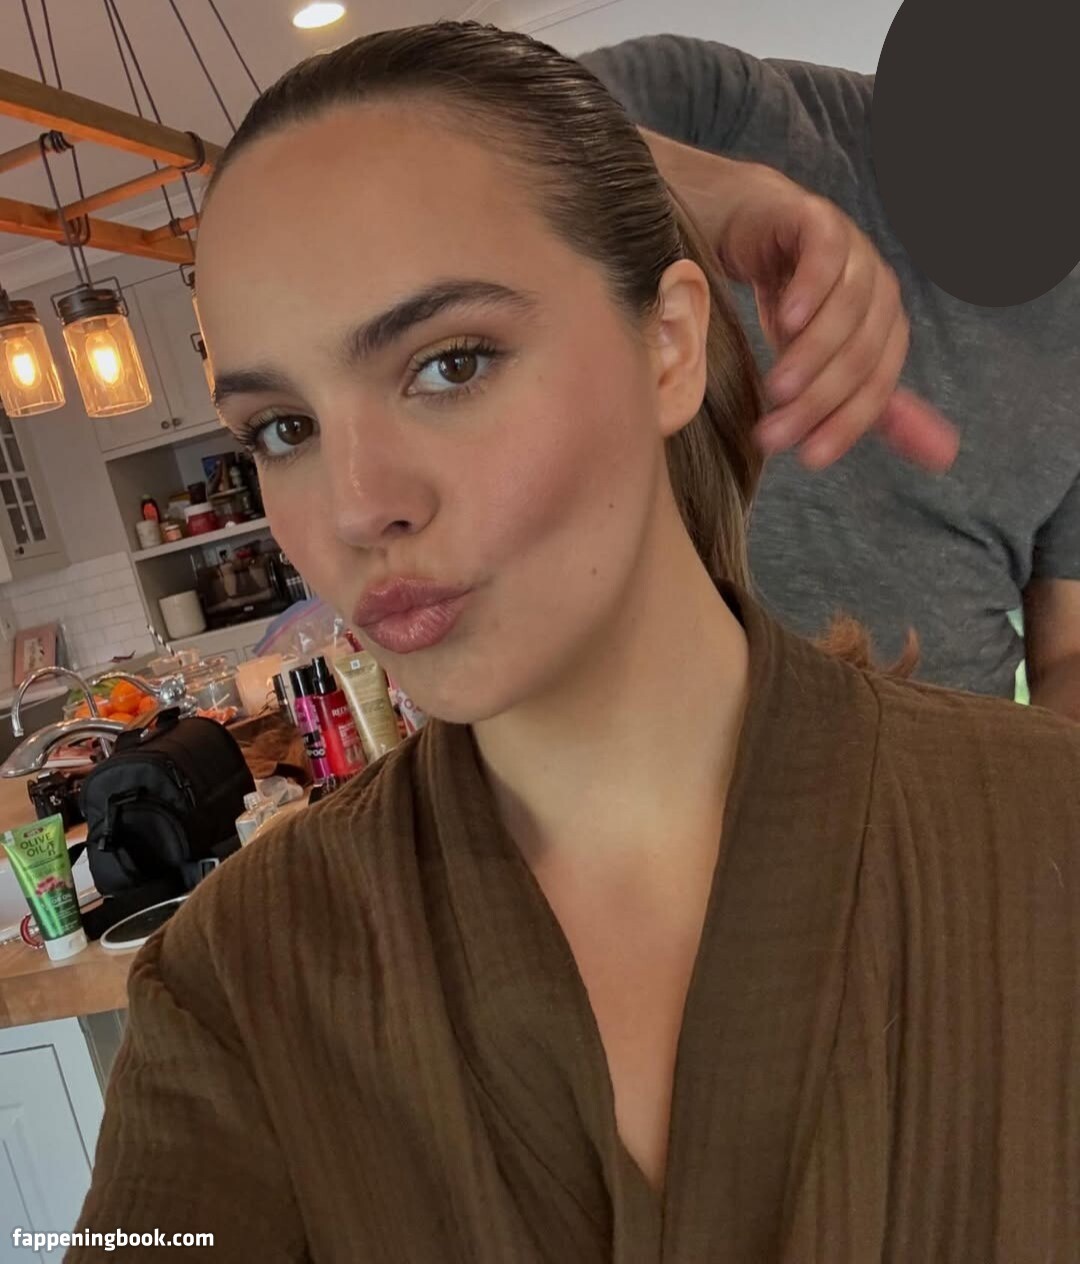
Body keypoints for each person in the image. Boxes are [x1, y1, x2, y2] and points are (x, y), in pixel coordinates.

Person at [68, 23, 1080, 1263]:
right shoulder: (242, 978)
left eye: (449, 363)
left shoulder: (1043, 829)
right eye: (282, 428)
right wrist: (732, 189)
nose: (356, 507)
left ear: (671, 344)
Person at [580, 36, 1080, 709]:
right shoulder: (725, 105)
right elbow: (472, 153)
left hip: (943, 757)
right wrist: (717, 196)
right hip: (645, 723)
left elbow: (1068, 651)